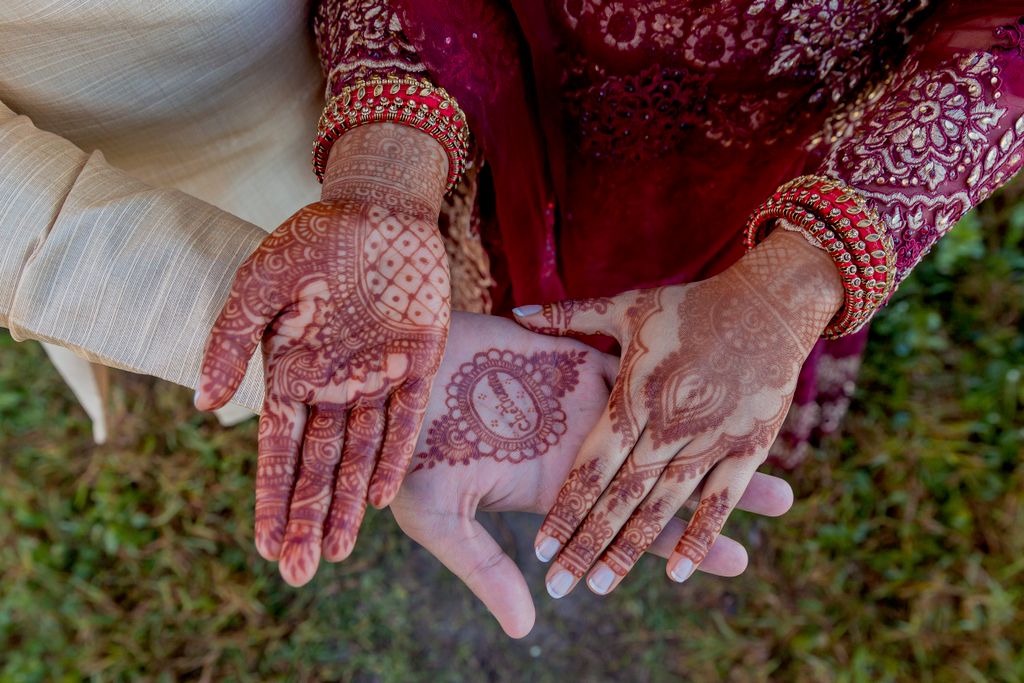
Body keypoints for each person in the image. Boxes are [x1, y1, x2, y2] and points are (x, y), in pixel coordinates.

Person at [193, 0, 1024, 602]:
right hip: (524, 80)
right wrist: (385, 176)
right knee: (503, 271)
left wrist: (791, 287)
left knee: (733, 320)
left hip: (790, 119)